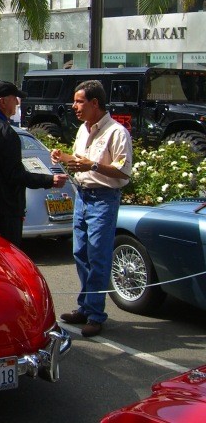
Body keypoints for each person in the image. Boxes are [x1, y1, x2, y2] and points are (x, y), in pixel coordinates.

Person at [50, 80, 132, 337]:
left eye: (79, 101)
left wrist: (93, 166)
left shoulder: (117, 132)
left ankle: (96, 314)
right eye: (75, 101)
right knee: (80, 253)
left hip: (104, 198)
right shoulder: (83, 130)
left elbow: (123, 172)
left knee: (98, 257)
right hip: (82, 197)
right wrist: (64, 158)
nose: (74, 106)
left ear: (95, 103)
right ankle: (85, 307)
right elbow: (80, 162)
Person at [0, 80, 68, 247]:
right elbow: (14, 175)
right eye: (15, 98)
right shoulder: (5, 132)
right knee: (4, 262)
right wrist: (50, 180)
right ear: (3, 101)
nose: (17, 102)